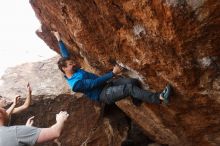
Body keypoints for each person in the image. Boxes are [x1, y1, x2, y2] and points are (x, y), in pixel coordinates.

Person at [53, 31, 171, 105]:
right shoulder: (76, 85)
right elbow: (94, 83)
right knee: (129, 88)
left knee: (133, 81)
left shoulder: (72, 71)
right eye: (70, 65)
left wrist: (59, 39)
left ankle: (137, 100)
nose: (73, 64)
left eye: (71, 63)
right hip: (103, 94)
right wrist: (113, 73)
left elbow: (65, 56)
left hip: (107, 85)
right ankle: (159, 98)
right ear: (64, 69)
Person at [0, 107, 69, 146]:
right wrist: (61, 119)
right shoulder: (15, 132)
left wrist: (26, 130)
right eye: (1, 108)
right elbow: (55, 132)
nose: (5, 109)